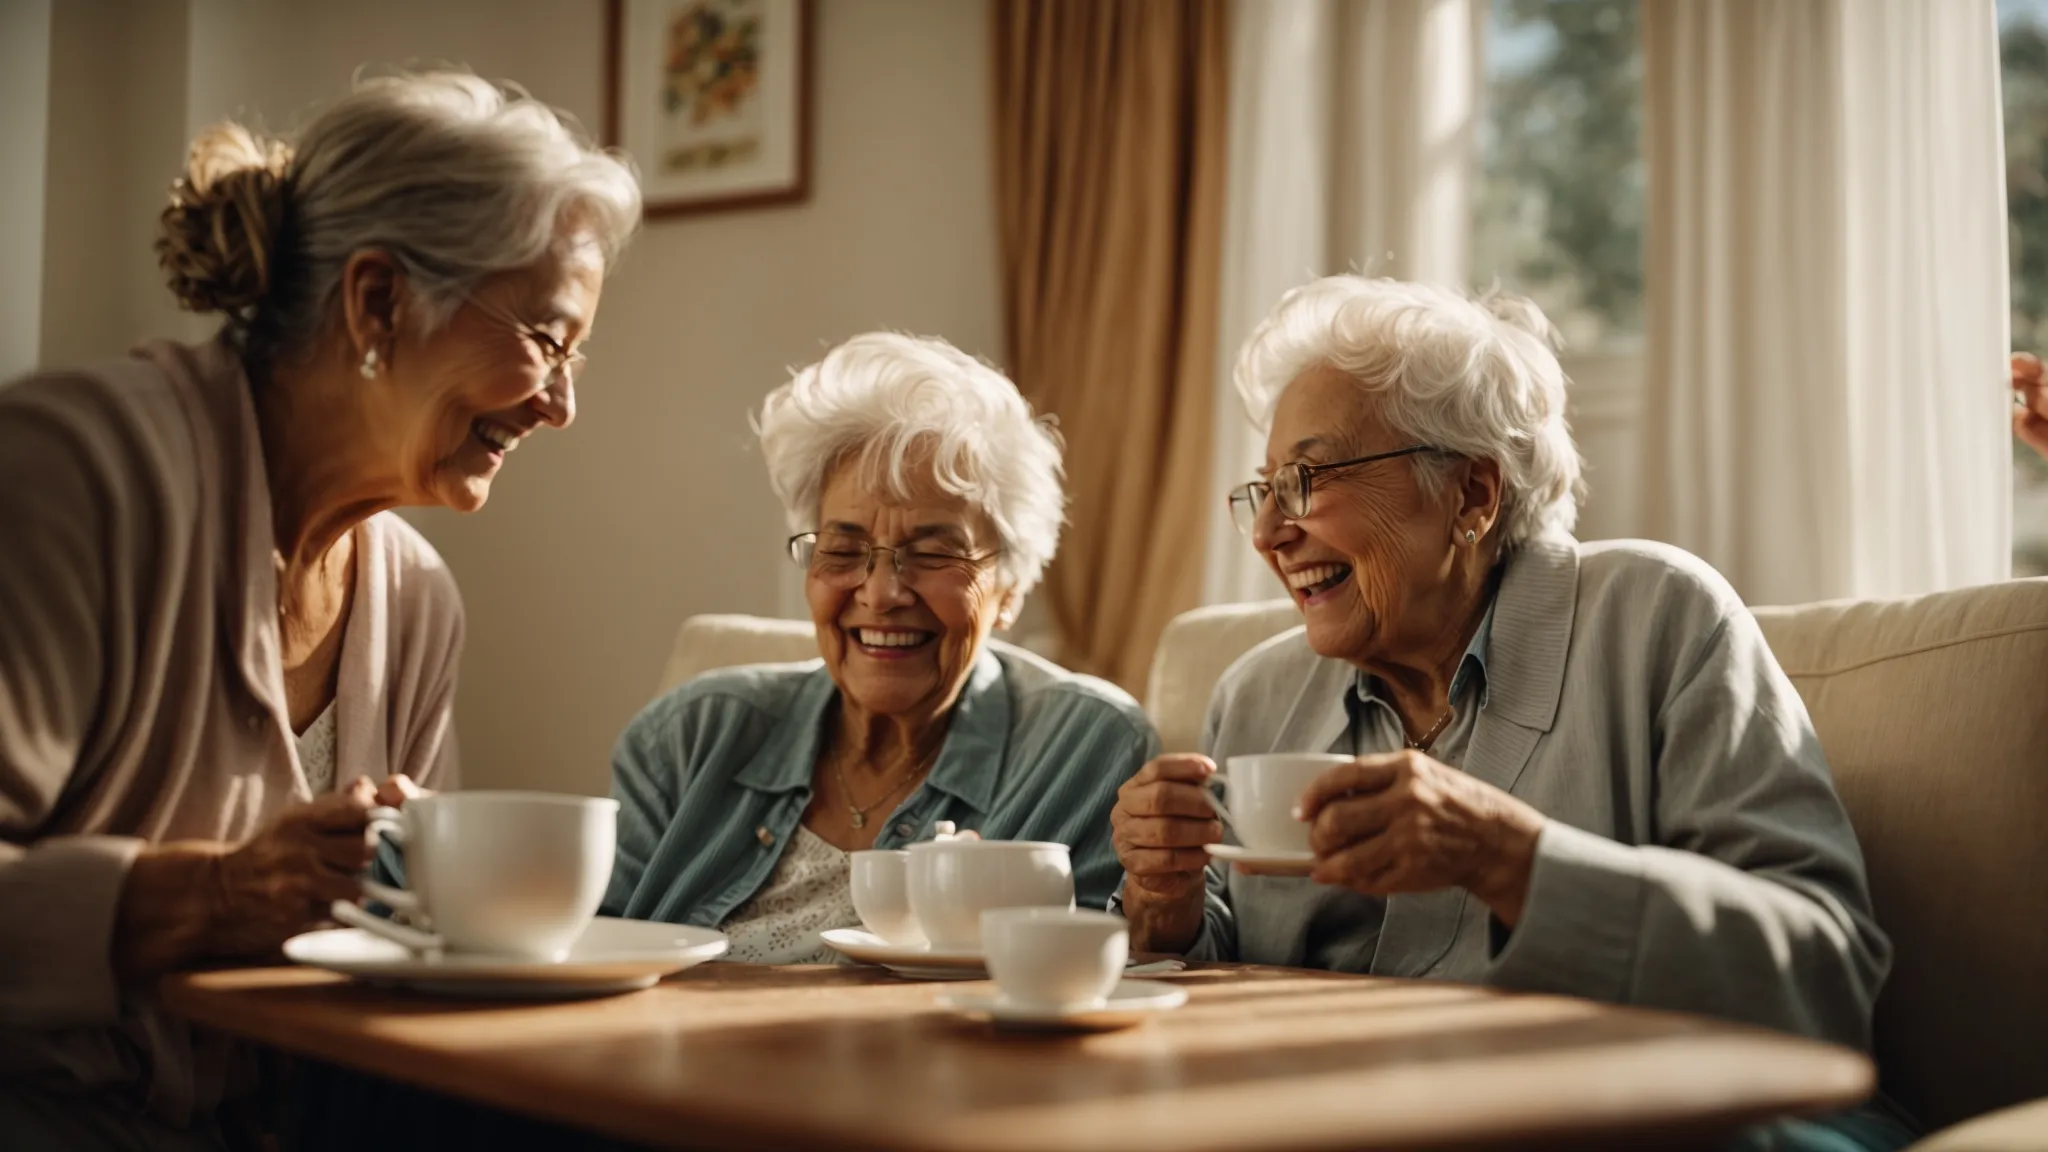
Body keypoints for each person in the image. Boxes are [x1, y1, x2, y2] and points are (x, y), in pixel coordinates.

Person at [1108, 275, 1914, 1150]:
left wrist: (1512, 858)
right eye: (1261, 490)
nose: (1268, 532)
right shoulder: (1258, 693)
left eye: (1304, 480)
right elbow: (1203, 987)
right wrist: (1164, 903)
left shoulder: (1657, 618)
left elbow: (1825, 974)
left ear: (1472, 496)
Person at [0, 70, 640, 1148]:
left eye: (574, 355)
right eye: (544, 340)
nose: (561, 405)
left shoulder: (418, 598)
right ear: (377, 300)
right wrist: (212, 898)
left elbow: (401, 971)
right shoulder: (74, 470)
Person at [603, 332, 1155, 961]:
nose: (883, 591)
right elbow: (592, 955)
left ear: (1009, 588)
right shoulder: (686, 738)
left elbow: (1081, 979)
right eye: (843, 551)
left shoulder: (1084, 750)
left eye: (935, 552)